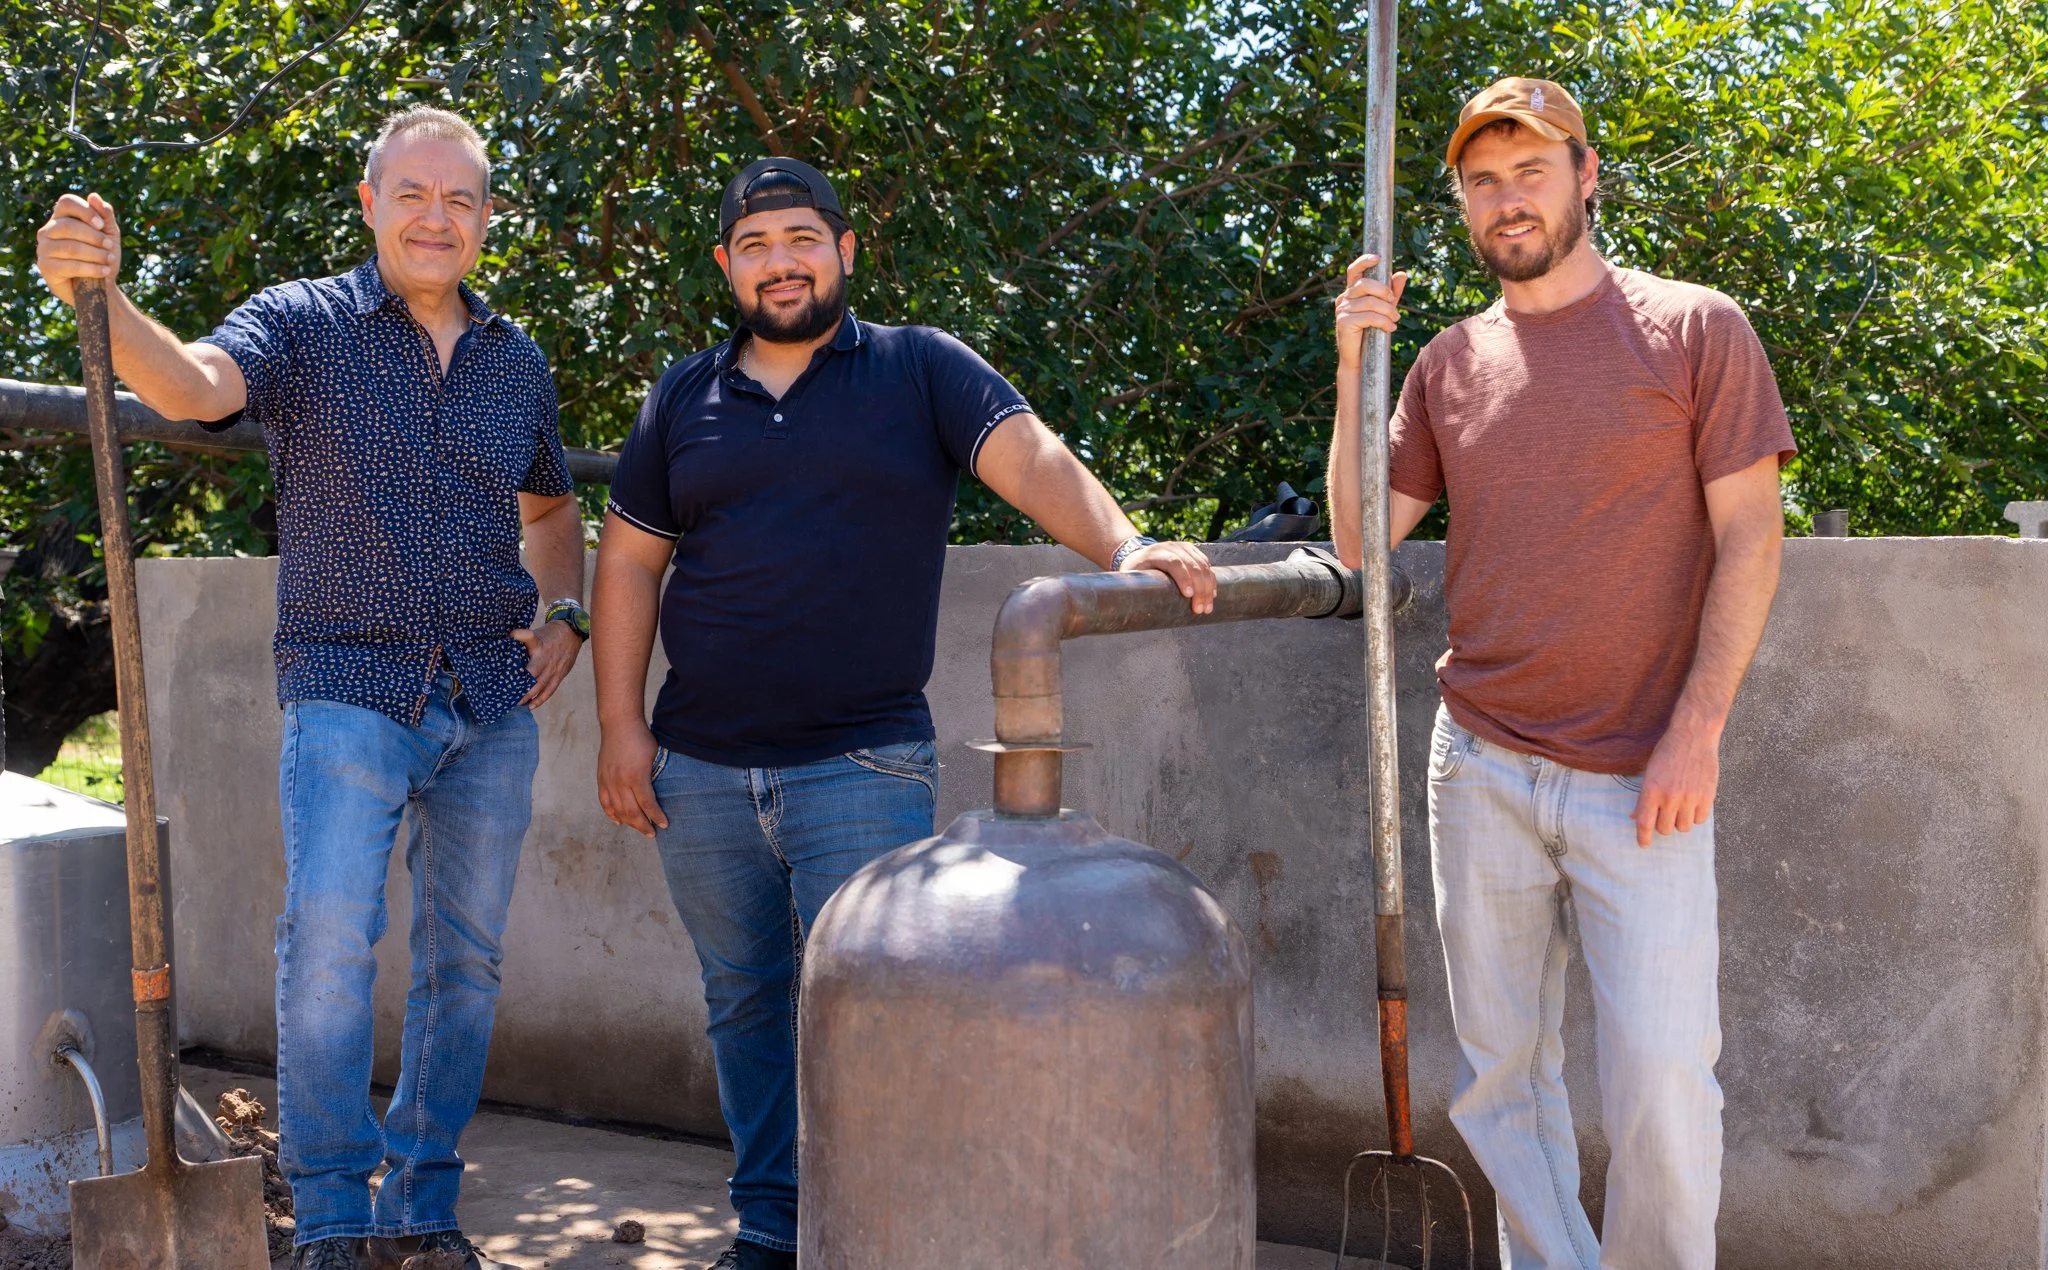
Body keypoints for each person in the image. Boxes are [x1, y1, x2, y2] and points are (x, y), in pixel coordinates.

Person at [590, 157, 1216, 1270]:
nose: (779, 261)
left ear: (842, 249)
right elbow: (630, 562)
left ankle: (869, 1233)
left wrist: (1125, 549)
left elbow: (1030, 457)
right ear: (727, 266)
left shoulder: (916, 369)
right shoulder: (686, 396)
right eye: (755, 244)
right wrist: (620, 727)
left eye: (800, 238)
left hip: (862, 767)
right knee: (743, 1010)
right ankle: (774, 1231)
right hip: (699, 770)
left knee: (867, 1014)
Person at [34, 106, 588, 1270]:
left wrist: (568, 616)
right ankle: (335, 1215)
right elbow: (190, 388)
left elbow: (550, 506)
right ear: (370, 201)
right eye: (414, 194)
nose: (437, 217)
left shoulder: (515, 360)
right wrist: (103, 298)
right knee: (329, 946)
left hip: (490, 699)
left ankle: (422, 1206)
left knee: (465, 963)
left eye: (461, 200)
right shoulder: (304, 323)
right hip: (349, 684)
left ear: (485, 218)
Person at [1327, 78, 1795, 1268]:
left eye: (1529, 169)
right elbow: (1357, 544)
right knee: (1500, 1081)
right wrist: (1351, 366)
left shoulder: (1694, 328)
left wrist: (1698, 731)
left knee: (1660, 1081)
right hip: (1475, 761)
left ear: (1586, 175)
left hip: (1643, 775)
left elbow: (1749, 534)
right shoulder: (1445, 360)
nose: (1505, 197)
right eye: (1481, 179)